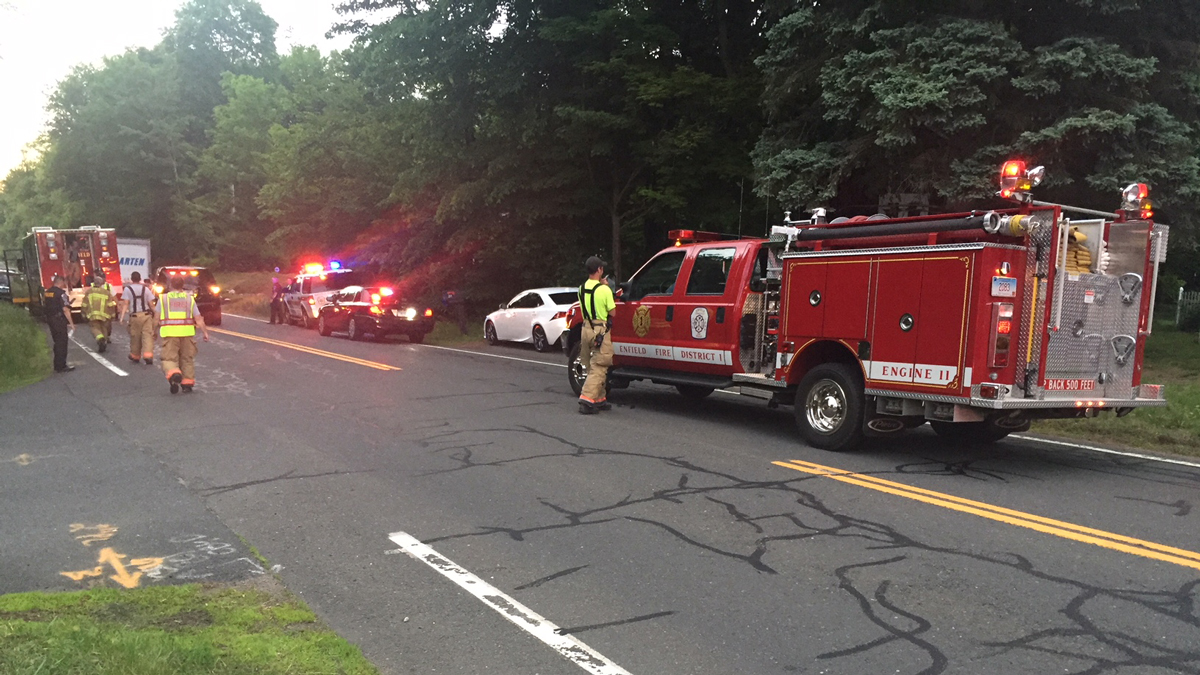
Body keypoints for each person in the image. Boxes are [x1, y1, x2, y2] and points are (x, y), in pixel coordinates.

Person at [158, 275, 210, 394]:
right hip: (187, 334)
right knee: (187, 359)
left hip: (170, 334)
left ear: (171, 285)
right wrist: (205, 332)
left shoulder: (164, 299)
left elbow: (156, 317)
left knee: (169, 358)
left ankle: (174, 373)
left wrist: (152, 331)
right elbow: (198, 318)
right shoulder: (189, 299)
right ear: (183, 285)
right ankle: (187, 384)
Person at [577, 255, 616, 415]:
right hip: (600, 330)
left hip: (585, 328)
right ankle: (586, 400)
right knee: (600, 365)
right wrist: (608, 290)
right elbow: (613, 312)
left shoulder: (581, 288)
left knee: (591, 364)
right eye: (602, 268)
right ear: (599, 270)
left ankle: (599, 399)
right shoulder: (604, 289)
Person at [121, 271, 156, 364]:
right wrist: (157, 315)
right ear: (140, 279)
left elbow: (125, 304)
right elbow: (151, 305)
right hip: (146, 316)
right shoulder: (146, 289)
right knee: (147, 335)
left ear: (132, 279)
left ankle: (135, 355)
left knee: (135, 336)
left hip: (135, 316)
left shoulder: (127, 289)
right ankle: (148, 355)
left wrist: (122, 317)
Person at [44, 275, 76, 372]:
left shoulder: (47, 292)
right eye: (64, 283)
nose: (64, 285)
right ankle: (61, 365)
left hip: (50, 320)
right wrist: (71, 324)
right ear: (60, 282)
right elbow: (65, 309)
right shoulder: (61, 293)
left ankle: (57, 364)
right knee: (62, 342)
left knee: (57, 341)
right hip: (59, 320)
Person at [81, 273, 116, 353]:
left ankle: (100, 339)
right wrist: (113, 315)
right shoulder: (106, 292)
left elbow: (84, 304)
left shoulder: (89, 292)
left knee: (95, 328)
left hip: (93, 315)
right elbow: (111, 305)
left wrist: (83, 313)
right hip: (105, 315)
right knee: (104, 329)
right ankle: (104, 341)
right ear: (101, 283)